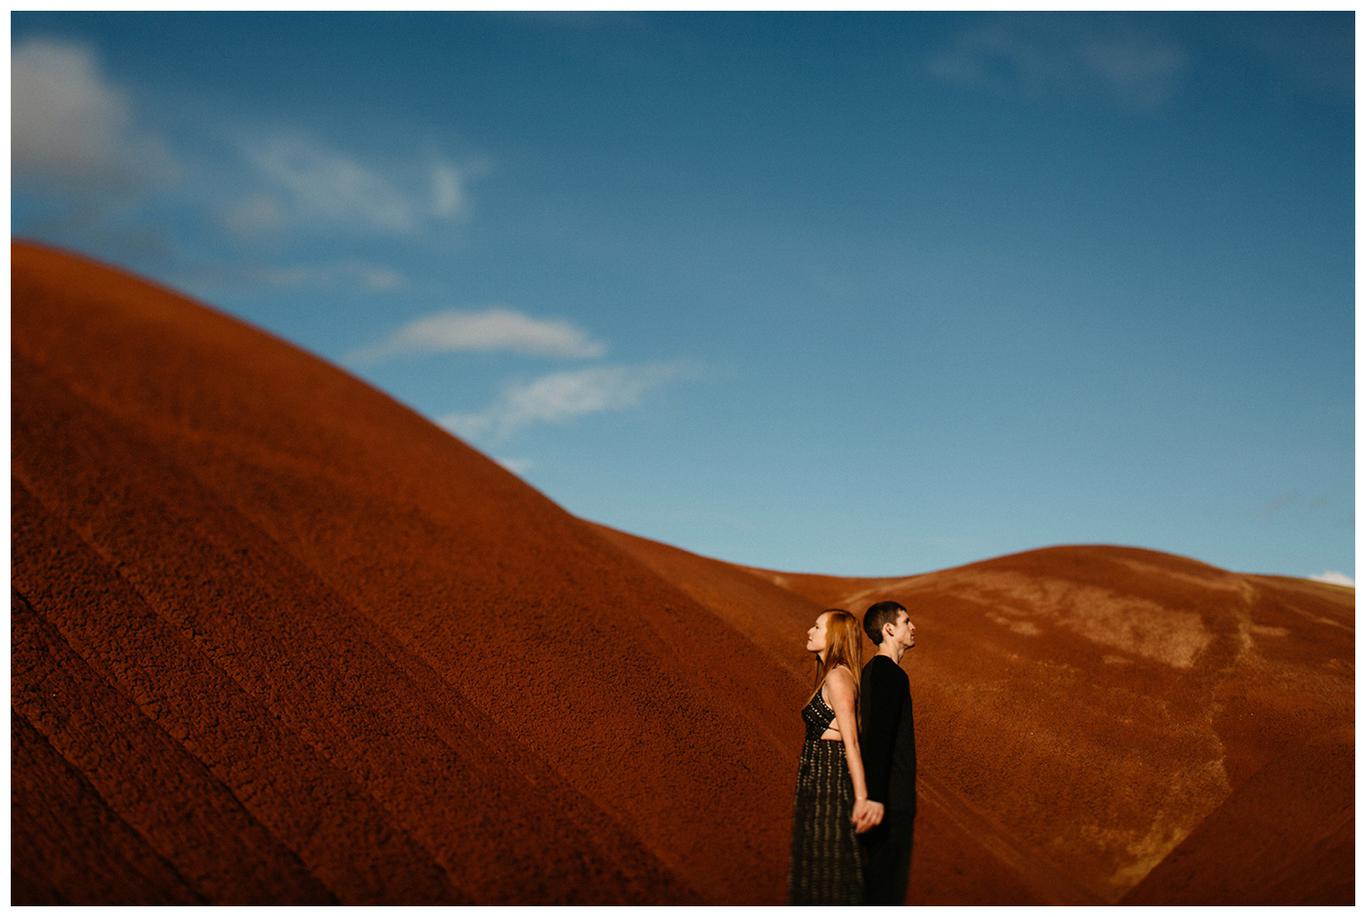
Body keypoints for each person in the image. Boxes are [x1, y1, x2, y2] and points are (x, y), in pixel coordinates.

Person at [788, 608, 882, 904]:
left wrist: (861, 798)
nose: (810, 631)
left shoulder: (838, 677)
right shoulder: (831, 675)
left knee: (829, 868)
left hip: (830, 780)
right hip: (817, 780)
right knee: (815, 864)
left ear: (835, 637)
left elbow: (852, 741)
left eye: (817, 626)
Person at [857, 600, 918, 904]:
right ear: (889, 629)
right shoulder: (889, 674)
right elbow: (879, 737)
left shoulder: (872, 672)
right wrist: (877, 798)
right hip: (890, 803)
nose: (913, 626)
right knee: (885, 893)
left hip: (883, 797)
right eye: (907, 621)